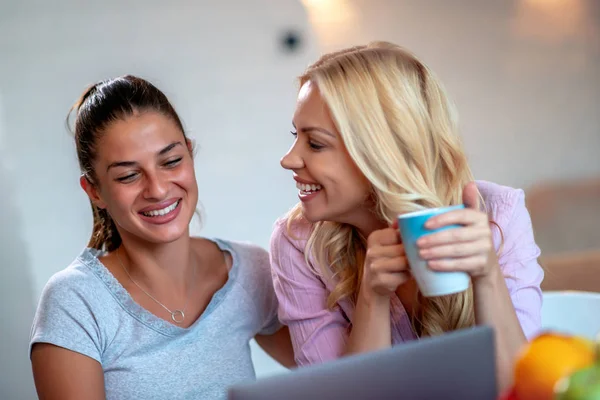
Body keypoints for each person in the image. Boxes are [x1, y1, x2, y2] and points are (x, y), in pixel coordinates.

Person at [269, 41, 544, 392]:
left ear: (382, 150)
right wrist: (372, 297)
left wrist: (486, 274)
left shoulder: (497, 215)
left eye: (316, 144)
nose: (289, 159)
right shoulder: (298, 243)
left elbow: (523, 390)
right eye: (296, 136)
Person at [30, 75, 294, 400]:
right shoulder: (76, 302)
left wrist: (371, 296)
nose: (157, 189)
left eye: (171, 161)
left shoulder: (249, 271)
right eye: (128, 175)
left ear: (190, 153)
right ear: (95, 191)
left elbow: (344, 374)